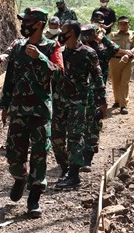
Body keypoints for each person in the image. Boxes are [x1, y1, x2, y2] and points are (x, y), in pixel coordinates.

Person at [0, 7, 63, 218]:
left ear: (39, 24)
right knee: (13, 155)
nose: (24, 25)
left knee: (40, 154)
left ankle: (34, 198)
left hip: (40, 111)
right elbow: (9, 77)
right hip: (18, 109)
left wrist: (40, 59)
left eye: (28, 22)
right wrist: (4, 105)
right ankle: (19, 178)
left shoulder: (53, 46)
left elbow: (59, 74)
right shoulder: (17, 46)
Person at [53, 21, 106, 189]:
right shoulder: (59, 52)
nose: (61, 34)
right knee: (56, 136)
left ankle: (74, 175)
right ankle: (65, 169)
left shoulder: (88, 53)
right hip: (60, 101)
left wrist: (102, 102)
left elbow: (98, 78)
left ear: (73, 33)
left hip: (78, 101)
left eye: (64, 31)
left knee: (75, 137)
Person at [79, 24, 129, 172]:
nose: (85, 37)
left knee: (92, 124)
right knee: (77, 126)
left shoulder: (102, 51)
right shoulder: (78, 49)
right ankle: (77, 155)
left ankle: (87, 158)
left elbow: (114, 49)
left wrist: (102, 39)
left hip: (96, 93)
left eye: (88, 34)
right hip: (78, 93)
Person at [109, 16, 134, 114]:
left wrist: (129, 54)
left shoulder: (133, 34)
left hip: (128, 61)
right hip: (115, 61)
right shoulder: (113, 35)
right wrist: (124, 52)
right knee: (115, 82)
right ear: (118, 25)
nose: (123, 25)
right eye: (121, 23)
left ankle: (123, 104)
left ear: (129, 24)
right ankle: (117, 100)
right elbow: (111, 47)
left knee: (124, 82)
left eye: (125, 23)